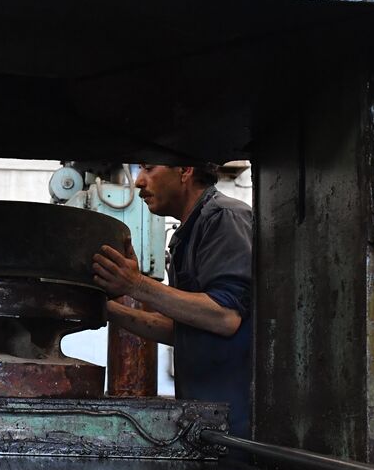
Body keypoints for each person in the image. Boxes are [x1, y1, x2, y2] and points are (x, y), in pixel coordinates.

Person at [92, 163, 253, 435]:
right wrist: (103, 309)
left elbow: (225, 317)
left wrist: (135, 284)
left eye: (149, 168)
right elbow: (181, 331)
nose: (139, 181)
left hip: (238, 424)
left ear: (186, 170)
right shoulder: (184, 237)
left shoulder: (224, 217)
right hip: (206, 421)